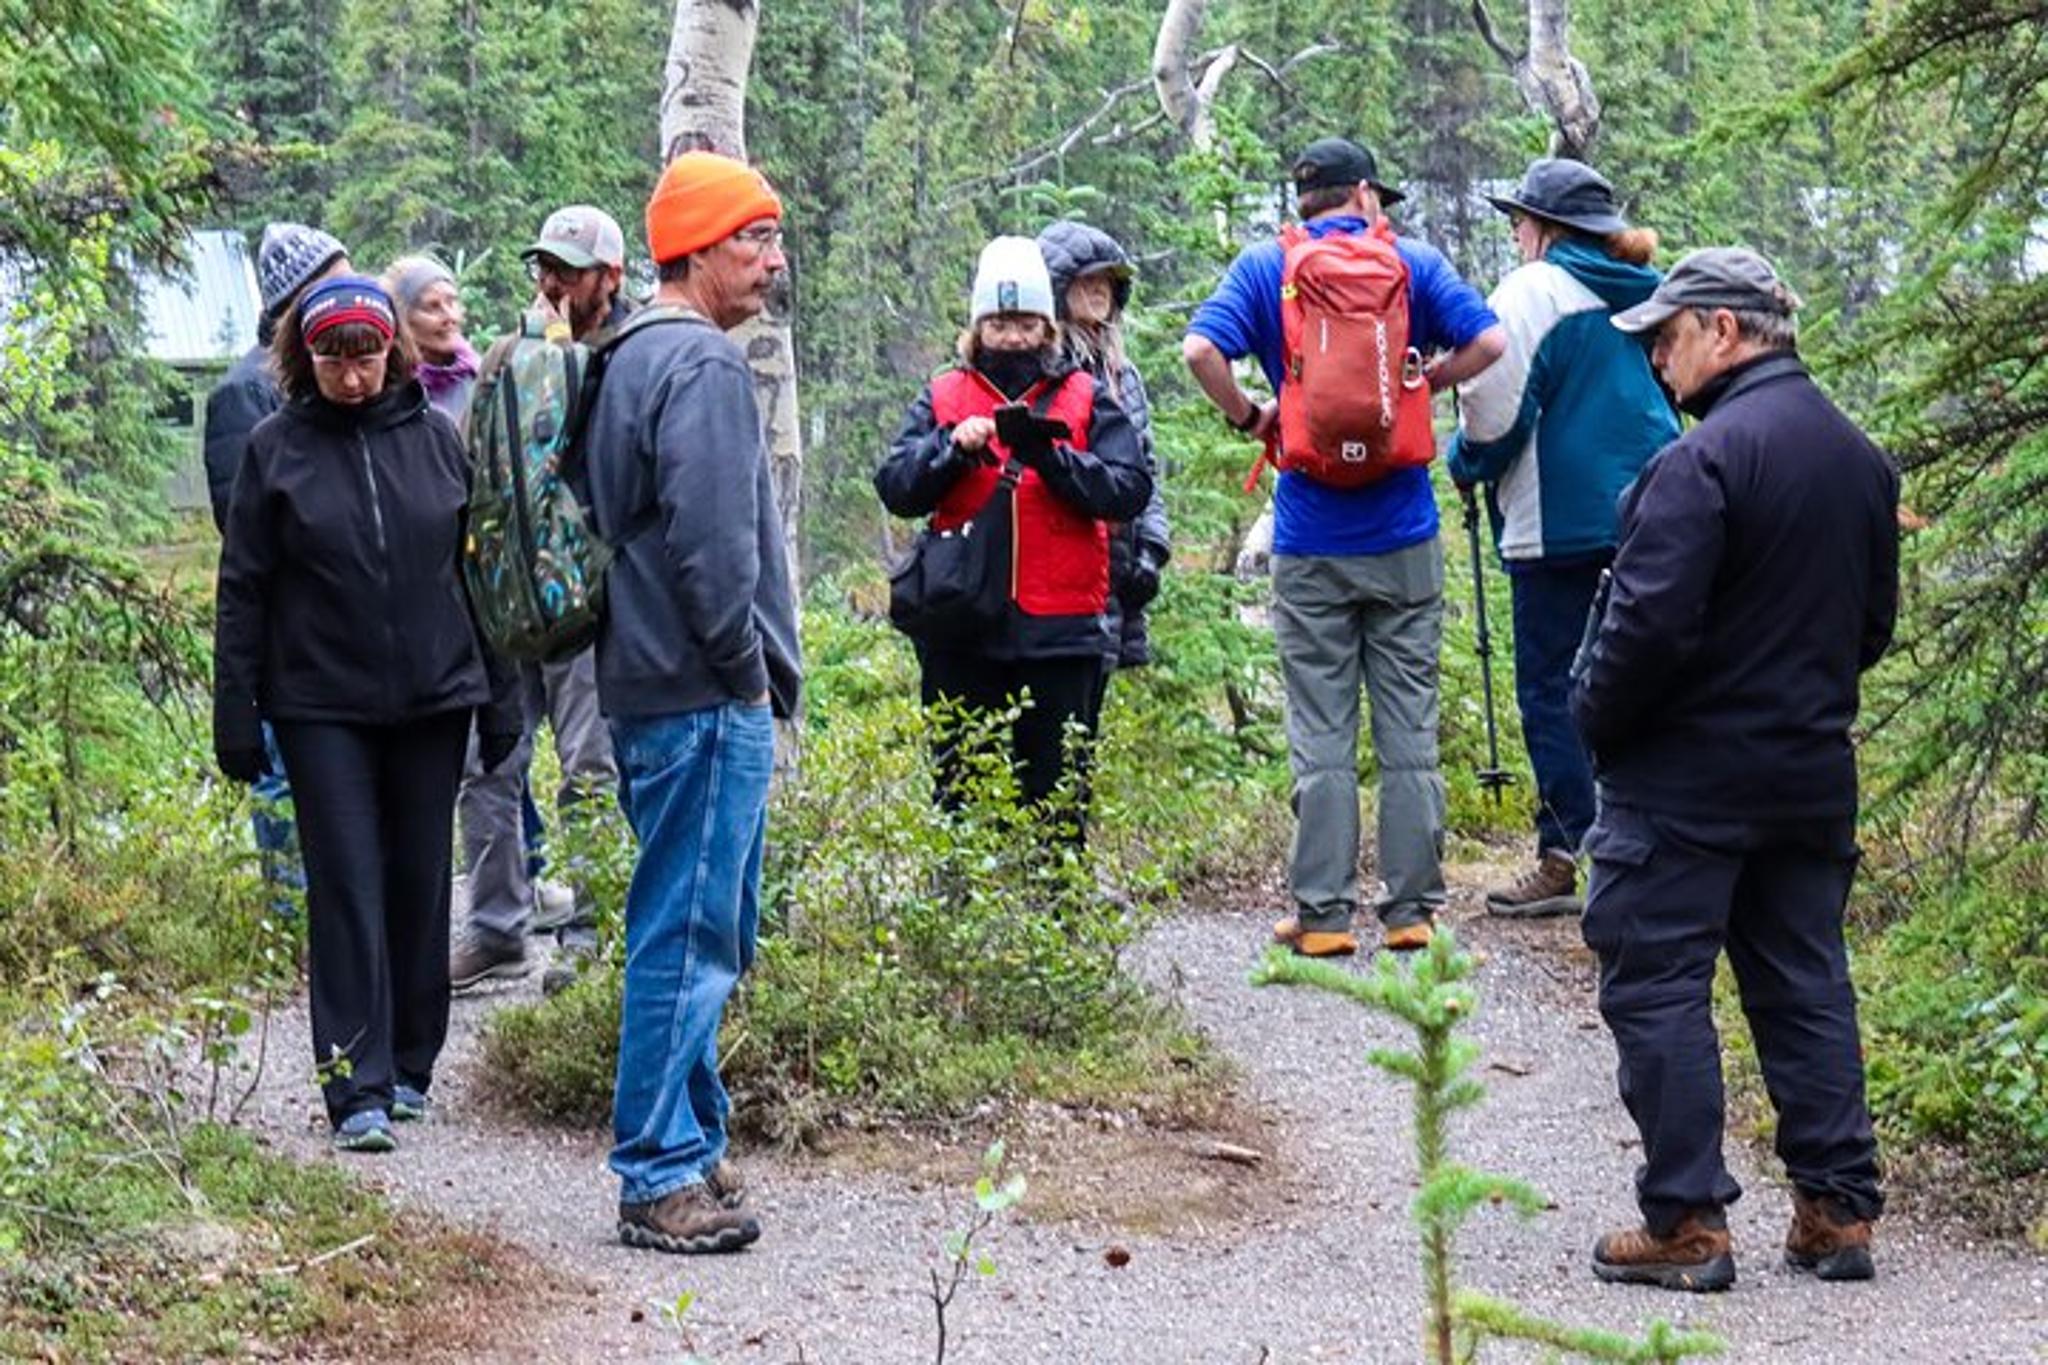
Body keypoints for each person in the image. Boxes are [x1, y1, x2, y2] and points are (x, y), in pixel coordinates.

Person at [1575, 247, 1897, 1291]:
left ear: (1723, 329)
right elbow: (1870, 628)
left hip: (1683, 783)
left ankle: (1684, 1223)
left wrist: (1594, 721)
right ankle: (1834, 1213)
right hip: (1809, 770)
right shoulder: (1859, 460)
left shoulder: (1699, 463)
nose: (1658, 363)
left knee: (1656, 983)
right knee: (1804, 983)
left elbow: (1642, 629)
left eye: (1665, 339)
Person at [213, 276, 520, 1153]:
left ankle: (413, 1063)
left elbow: (481, 578)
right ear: (304, 358)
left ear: (394, 350)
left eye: (366, 352)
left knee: (420, 879)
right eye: (332, 356)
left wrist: (501, 699)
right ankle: (356, 1088)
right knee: (345, 882)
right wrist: (237, 712)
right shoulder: (275, 450)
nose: (351, 373)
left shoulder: (435, 439)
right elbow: (243, 590)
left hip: (435, 696)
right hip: (320, 704)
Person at [1183, 137, 1504, 957]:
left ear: (1304, 199)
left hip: (1309, 535)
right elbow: (1491, 344)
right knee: (1408, 726)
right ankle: (1410, 911)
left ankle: (1323, 916)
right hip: (1404, 534)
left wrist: (1256, 419)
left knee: (1322, 729)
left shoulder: (1266, 268)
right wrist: (1421, 383)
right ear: (1363, 193)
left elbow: (1199, 351)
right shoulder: (1415, 264)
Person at [579, 153, 801, 1253]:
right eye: (754, 240)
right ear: (700, 248)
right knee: (688, 932)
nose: (771, 260)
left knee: (697, 921)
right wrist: (748, 674)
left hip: (645, 685)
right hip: (701, 692)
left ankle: (692, 1143)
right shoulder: (700, 368)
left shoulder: (620, 356)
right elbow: (717, 554)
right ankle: (658, 1171)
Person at [1448, 159, 1679, 917]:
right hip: (1658, 508)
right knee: (1642, 676)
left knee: (1554, 685)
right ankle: (1649, 844)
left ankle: (1568, 850)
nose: (1514, 232)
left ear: (1547, 229)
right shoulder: (1654, 288)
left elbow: (1492, 406)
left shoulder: (1532, 291)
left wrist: (1467, 462)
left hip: (1556, 522)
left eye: (1519, 220)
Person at [876, 237, 1151, 838]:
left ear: (1048, 327)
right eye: (999, 324)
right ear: (978, 328)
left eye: (1026, 323)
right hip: (961, 626)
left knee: (1057, 805)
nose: (1013, 337)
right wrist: (951, 450)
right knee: (960, 799)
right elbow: (896, 486)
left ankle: (1055, 923)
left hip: (1062, 630)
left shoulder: (1085, 396)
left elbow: (1130, 488)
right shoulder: (944, 394)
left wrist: (1052, 459)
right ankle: (961, 927)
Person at [447, 206, 629, 993]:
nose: (552, 282)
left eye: (569, 269)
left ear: (610, 278)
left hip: (591, 606)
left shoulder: (629, 354)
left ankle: (589, 933)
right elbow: (474, 463)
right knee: (488, 761)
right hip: (506, 599)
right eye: (544, 267)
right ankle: (497, 927)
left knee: (590, 767)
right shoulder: (502, 356)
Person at [203, 222, 353, 918]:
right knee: (280, 779)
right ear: (299, 290)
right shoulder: (246, 391)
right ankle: (293, 922)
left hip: (336, 637)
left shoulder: (333, 377)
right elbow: (243, 528)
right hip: (283, 632)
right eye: (336, 273)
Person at [1036, 220, 1171, 686]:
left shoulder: (1122, 374)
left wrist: (1152, 550)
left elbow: (1144, 468)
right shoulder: (1043, 370)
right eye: (1086, 281)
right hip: (1058, 566)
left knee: (1087, 709)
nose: (1098, 292)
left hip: (1116, 566)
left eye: (1107, 283)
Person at [384, 255, 478, 427]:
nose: (450, 316)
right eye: (433, 307)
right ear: (402, 319)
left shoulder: (479, 378)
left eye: (452, 302)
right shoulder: (386, 388)